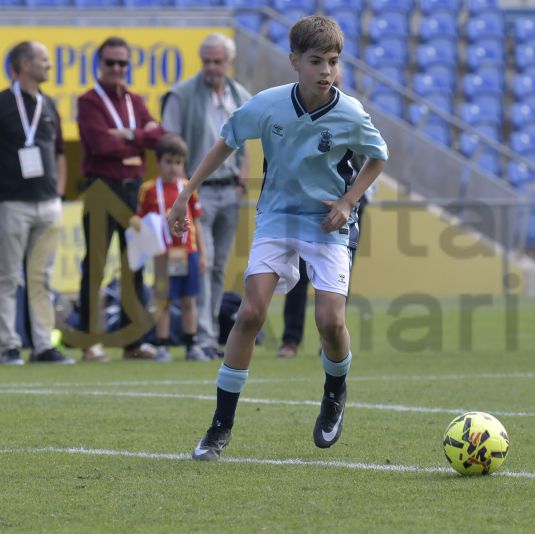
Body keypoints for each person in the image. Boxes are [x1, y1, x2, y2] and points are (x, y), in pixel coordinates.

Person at [168, 15, 388, 460]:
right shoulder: (266, 105)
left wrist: (348, 202)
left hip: (328, 223)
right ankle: (219, 427)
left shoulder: (349, 111)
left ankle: (334, 393)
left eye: (333, 61)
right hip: (276, 219)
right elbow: (225, 142)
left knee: (329, 322)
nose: (326, 70)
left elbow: (378, 157)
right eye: (315, 61)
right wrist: (184, 193)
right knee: (249, 313)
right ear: (294, 61)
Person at [0, 41, 71, 365]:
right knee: (7, 275)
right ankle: (7, 345)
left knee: (41, 278)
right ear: (24, 64)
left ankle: (43, 345)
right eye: (43, 59)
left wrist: (58, 191)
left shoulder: (49, 105)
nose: (49, 65)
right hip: (10, 203)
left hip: (47, 203)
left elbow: (59, 153)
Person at [161, 33, 252, 360]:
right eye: (207, 61)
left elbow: (247, 144)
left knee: (217, 267)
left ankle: (210, 334)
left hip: (229, 190)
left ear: (230, 62)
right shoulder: (181, 95)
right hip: (197, 193)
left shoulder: (240, 94)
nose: (212, 67)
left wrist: (242, 179)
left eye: (218, 61)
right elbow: (170, 145)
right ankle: (199, 337)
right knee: (202, 263)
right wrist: (182, 192)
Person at [77, 36, 166, 362]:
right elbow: (101, 145)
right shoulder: (89, 101)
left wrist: (129, 136)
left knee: (135, 263)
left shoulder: (134, 99)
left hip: (133, 189)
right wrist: (138, 140)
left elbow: (159, 137)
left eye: (122, 63)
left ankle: (133, 341)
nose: (117, 68)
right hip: (102, 188)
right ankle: (90, 342)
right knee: (96, 265)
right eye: (111, 62)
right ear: (100, 65)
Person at [277, 67, 372, 359]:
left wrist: (351, 199)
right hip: (307, 202)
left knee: (340, 272)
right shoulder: (301, 114)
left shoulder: (352, 114)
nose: (330, 84)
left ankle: (330, 339)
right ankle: (291, 340)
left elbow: (368, 159)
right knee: (300, 270)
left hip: (346, 202)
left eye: (337, 81)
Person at [131, 134, 209, 362]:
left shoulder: (188, 188)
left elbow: (196, 223)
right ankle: (162, 345)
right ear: (158, 162)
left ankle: (191, 344)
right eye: (168, 162)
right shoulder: (148, 190)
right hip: (162, 254)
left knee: (189, 300)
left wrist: (203, 254)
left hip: (188, 252)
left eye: (178, 162)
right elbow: (140, 220)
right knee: (163, 300)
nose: (173, 168)